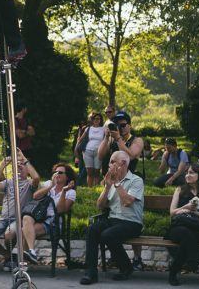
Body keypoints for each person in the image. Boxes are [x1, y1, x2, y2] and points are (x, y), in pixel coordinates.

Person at [80, 151, 144, 285]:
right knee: (92, 230)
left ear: (124, 163)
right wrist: (108, 186)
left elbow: (127, 202)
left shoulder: (136, 180)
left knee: (108, 235)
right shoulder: (110, 181)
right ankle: (90, 273)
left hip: (132, 222)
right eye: (110, 161)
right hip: (113, 220)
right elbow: (99, 206)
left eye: (113, 161)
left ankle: (126, 267)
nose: (109, 165)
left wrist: (116, 184)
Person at [97, 111, 145, 271]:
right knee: (115, 214)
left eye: (123, 125)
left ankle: (137, 258)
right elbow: (100, 155)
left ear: (130, 125)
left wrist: (118, 138)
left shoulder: (136, 140)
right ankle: (116, 257)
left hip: (130, 179)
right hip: (111, 179)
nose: (120, 128)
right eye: (117, 125)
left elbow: (131, 155)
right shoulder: (111, 139)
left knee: (129, 213)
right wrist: (106, 137)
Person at [0, 150, 40, 271]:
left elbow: (36, 178)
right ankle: (9, 256)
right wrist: (2, 165)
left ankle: (10, 260)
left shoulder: (29, 183)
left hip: (18, 219)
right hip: (3, 219)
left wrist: (24, 158)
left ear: (28, 170)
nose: (19, 166)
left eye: (22, 165)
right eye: (17, 165)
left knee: (9, 235)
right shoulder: (9, 182)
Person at [22, 162, 76, 265]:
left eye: (60, 172)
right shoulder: (48, 183)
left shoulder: (71, 192)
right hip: (39, 216)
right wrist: (51, 186)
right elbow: (35, 196)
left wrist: (64, 192)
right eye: (55, 172)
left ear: (67, 176)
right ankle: (31, 253)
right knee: (26, 219)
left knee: (24, 230)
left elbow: (60, 210)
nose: (57, 174)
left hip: (53, 222)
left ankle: (23, 262)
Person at [165, 164, 199, 285]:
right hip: (179, 227)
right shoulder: (179, 190)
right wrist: (185, 207)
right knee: (186, 234)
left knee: (187, 239)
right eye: (187, 172)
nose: (188, 175)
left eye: (192, 173)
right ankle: (196, 261)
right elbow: (172, 213)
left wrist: (196, 212)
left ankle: (173, 272)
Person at [75, 112, 104, 186]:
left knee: (97, 172)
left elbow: (106, 139)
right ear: (92, 120)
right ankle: (90, 188)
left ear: (101, 120)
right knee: (89, 172)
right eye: (95, 118)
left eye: (98, 119)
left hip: (98, 152)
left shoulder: (103, 129)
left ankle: (96, 188)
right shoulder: (88, 129)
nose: (96, 120)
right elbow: (80, 139)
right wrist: (77, 148)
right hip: (87, 151)